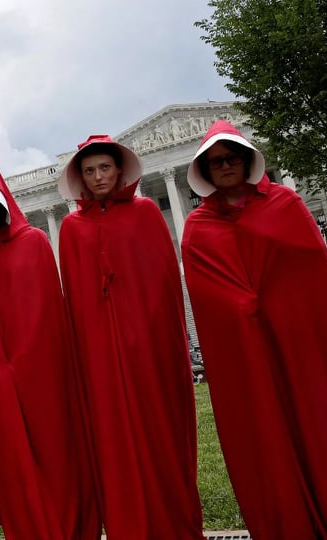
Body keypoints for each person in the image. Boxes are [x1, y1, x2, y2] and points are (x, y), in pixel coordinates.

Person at [181, 120, 327, 537]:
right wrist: (244, 307)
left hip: (301, 344)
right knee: (267, 432)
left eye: (231, 158)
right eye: (215, 162)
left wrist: (277, 307)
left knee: (321, 426)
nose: (225, 166)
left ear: (246, 160)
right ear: (205, 170)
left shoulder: (286, 204)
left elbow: (312, 279)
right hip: (248, 351)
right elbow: (209, 297)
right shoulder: (198, 228)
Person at [57, 135, 203, 538]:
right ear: (81, 178)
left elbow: (165, 288)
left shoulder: (146, 214)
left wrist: (157, 342)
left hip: (150, 351)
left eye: (105, 167)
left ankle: (174, 525)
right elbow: (76, 301)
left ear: (119, 170)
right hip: (100, 357)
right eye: (90, 171)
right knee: (113, 441)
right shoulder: (71, 229)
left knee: (161, 435)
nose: (98, 177)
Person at [0, 159, 98, 539]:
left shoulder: (33, 242)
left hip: (41, 371)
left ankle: (70, 527)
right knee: (12, 460)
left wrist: (27, 362)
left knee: (55, 450)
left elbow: (47, 311)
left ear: (2, 204)